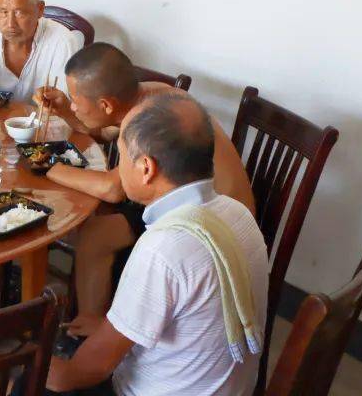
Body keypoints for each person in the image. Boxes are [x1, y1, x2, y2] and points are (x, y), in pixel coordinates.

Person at [45, 92, 268, 395]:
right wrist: (111, 328)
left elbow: (86, 371)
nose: (118, 167)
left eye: (121, 156)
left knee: (27, 383)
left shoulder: (163, 248)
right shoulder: (238, 213)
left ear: (146, 168)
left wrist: (31, 366)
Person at [35, 43, 256, 343]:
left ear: (106, 104)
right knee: (98, 224)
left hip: (209, 229)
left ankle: (95, 332)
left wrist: (49, 167)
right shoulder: (150, 94)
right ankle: (93, 319)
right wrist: (66, 111)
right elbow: (110, 130)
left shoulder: (144, 117)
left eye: (75, 100)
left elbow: (116, 188)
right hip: (208, 207)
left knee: (97, 232)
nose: (72, 106)